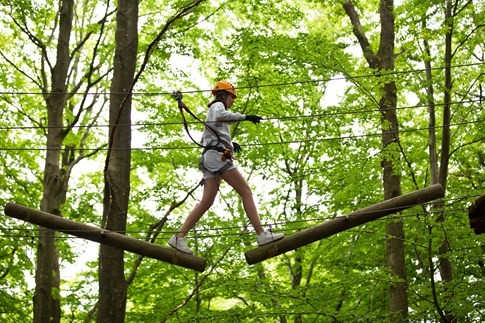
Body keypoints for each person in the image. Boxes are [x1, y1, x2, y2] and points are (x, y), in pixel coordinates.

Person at [168, 81, 284, 254]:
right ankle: (261, 234)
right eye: (232, 97)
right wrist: (246, 117)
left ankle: (179, 237)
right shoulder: (217, 107)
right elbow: (222, 116)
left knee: (207, 201)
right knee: (246, 192)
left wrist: (229, 143)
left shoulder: (217, 110)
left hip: (211, 157)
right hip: (217, 158)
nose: (233, 101)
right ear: (222, 95)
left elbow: (214, 130)